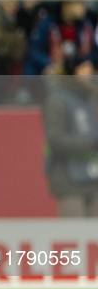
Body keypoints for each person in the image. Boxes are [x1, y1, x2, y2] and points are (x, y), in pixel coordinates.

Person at [43, 58, 98, 216]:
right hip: (67, 176)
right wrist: (92, 144)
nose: (90, 75)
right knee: (75, 229)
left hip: (93, 173)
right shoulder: (57, 99)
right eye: (84, 70)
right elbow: (55, 139)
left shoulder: (90, 97)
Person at [24, 0, 98, 75]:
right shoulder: (48, 24)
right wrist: (48, 63)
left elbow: (94, 51)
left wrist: (89, 62)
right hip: (53, 70)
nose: (84, 7)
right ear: (65, 5)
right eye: (79, 3)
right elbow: (34, 50)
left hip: (77, 71)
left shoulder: (86, 25)